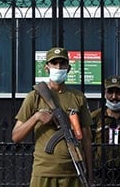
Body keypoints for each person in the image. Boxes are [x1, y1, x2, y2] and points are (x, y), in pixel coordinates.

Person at [12, 47, 95, 187]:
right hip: (43, 172)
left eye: (62, 64)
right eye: (54, 63)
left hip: (72, 171)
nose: (58, 67)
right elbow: (16, 136)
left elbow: (86, 139)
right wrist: (36, 117)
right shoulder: (35, 97)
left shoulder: (78, 97)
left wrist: (90, 175)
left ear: (68, 68)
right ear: (46, 68)